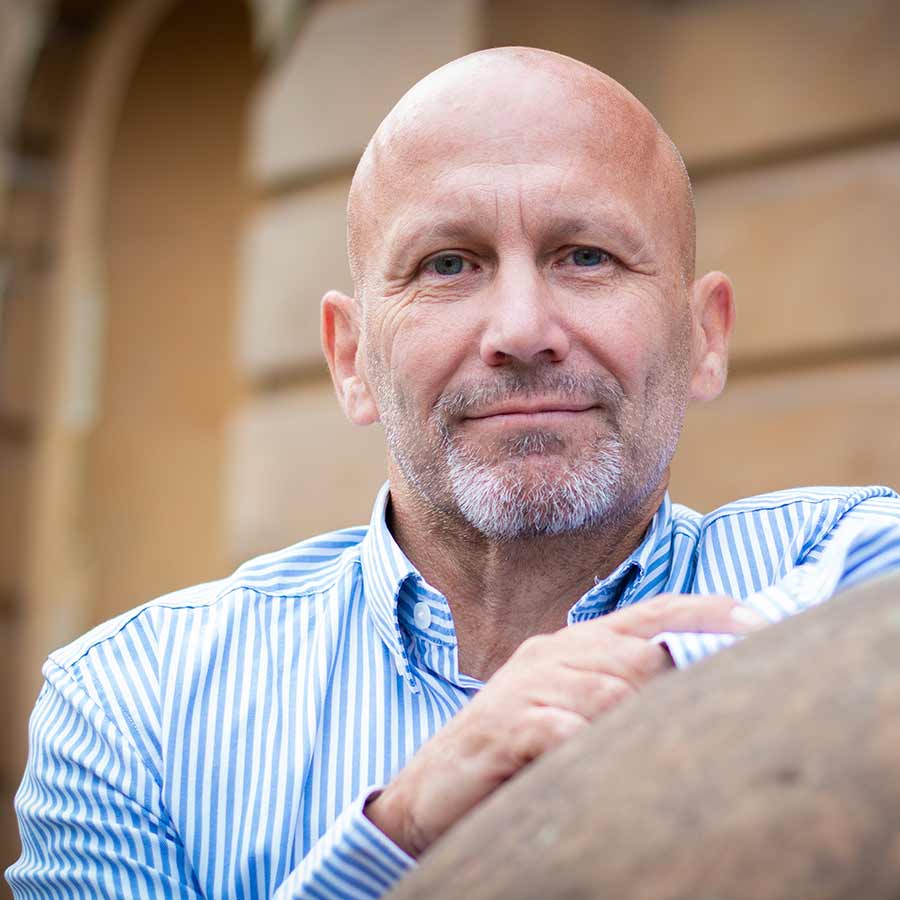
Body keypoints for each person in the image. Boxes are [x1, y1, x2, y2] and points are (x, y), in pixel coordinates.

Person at [7, 47, 900, 899]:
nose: (521, 328)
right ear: (351, 358)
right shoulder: (133, 713)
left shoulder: (849, 573)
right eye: (448, 264)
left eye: (586, 255)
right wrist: (394, 837)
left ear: (705, 337)